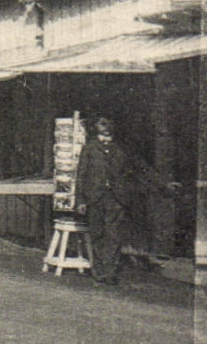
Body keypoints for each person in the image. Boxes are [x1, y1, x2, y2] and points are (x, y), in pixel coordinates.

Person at [75, 117, 174, 286]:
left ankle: (110, 272)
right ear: (96, 131)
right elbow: (81, 176)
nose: (106, 134)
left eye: (109, 131)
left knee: (114, 235)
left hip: (116, 198)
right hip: (95, 198)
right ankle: (99, 272)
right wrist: (80, 201)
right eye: (102, 130)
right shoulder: (89, 149)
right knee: (97, 233)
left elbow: (141, 168)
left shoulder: (121, 150)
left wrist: (163, 185)